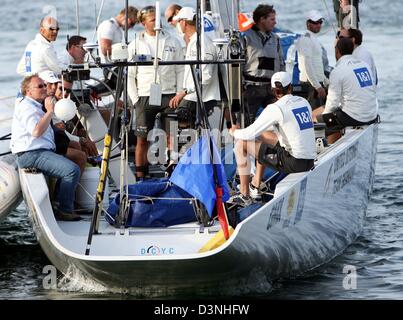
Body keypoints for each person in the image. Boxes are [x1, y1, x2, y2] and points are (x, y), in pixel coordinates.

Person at [228, 72, 316, 206]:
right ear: (290, 88)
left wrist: (234, 132)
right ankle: (256, 186)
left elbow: (248, 134)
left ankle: (245, 195)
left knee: (241, 144)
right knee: (263, 134)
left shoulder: (275, 108)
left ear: (273, 91)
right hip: (310, 160)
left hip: (294, 162)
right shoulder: (304, 102)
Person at [10, 75, 81, 221]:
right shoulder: (26, 107)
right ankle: (65, 210)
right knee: (71, 170)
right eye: (40, 86)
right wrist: (49, 111)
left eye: (44, 85)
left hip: (40, 152)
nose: (44, 88)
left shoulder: (35, 105)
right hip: (32, 154)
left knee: (74, 161)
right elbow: (36, 131)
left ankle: (58, 202)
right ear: (28, 91)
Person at [127, 5, 184, 179]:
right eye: (152, 20)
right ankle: (140, 177)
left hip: (169, 95)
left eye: (158, 19)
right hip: (145, 96)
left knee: (172, 137)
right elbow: (130, 74)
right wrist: (136, 99)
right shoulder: (135, 44)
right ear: (143, 23)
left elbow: (180, 69)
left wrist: (179, 92)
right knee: (142, 139)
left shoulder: (173, 41)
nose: (157, 23)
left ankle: (172, 173)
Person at [313, 38, 378, 143]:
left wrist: (323, 118)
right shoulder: (364, 65)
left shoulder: (338, 71)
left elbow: (332, 103)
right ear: (352, 49)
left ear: (337, 51)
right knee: (330, 113)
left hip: (356, 118)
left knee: (314, 117)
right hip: (372, 114)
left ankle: (327, 148)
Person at [169, 7, 220, 128]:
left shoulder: (201, 43)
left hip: (200, 97)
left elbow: (206, 76)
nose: (178, 24)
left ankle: (193, 145)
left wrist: (184, 92)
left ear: (184, 22)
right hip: (194, 95)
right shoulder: (195, 41)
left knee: (180, 125)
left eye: (179, 21)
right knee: (180, 126)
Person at [242, 4, 285, 125]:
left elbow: (281, 62)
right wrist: (240, 87)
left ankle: (277, 143)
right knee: (248, 122)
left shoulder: (275, 38)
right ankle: (246, 143)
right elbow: (238, 63)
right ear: (262, 19)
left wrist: (282, 85)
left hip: (271, 88)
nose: (275, 22)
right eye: (272, 19)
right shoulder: (246, 37)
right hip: (252, 88)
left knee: (278, 120)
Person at [297, 10, 328, 110]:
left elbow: (317, 65)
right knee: (313, 113)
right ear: (308, 23)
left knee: (319, 112)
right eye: (315, 22)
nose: (318, 25)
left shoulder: (313, 38)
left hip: (316, 83)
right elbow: (307, 64)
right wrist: (317, 86)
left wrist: (326, 81)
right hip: (310, 84)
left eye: (320, 22)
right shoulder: (306, 39)